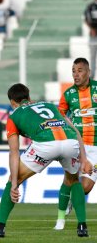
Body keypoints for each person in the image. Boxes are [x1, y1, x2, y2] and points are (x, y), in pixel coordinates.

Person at [0, 83, 92, 238]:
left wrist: (14, 184)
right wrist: (84, 159)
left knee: (15, 178)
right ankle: (82, 227)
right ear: (29, 97)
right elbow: (74, 130)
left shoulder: (14, 116)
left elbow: (14, 152)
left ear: (12, 103)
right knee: (74, 181)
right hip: (70, 143)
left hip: (45, 146)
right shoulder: (50, 105)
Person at [54, 57, 97, 230]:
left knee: (85, 186)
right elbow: (59, 117)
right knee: (69, 179)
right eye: (73, 71)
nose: (76, 74)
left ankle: (73, 200)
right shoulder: (68, 94)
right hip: (77, 145)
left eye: (79, 70)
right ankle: (60, 219)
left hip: (94, 147)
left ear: (88, 72)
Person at [85, 0, 97, 79]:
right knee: (93, 55)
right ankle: (92, 76)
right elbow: (86, 19)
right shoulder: (90, 6)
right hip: (93, 35)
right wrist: (91, 28)